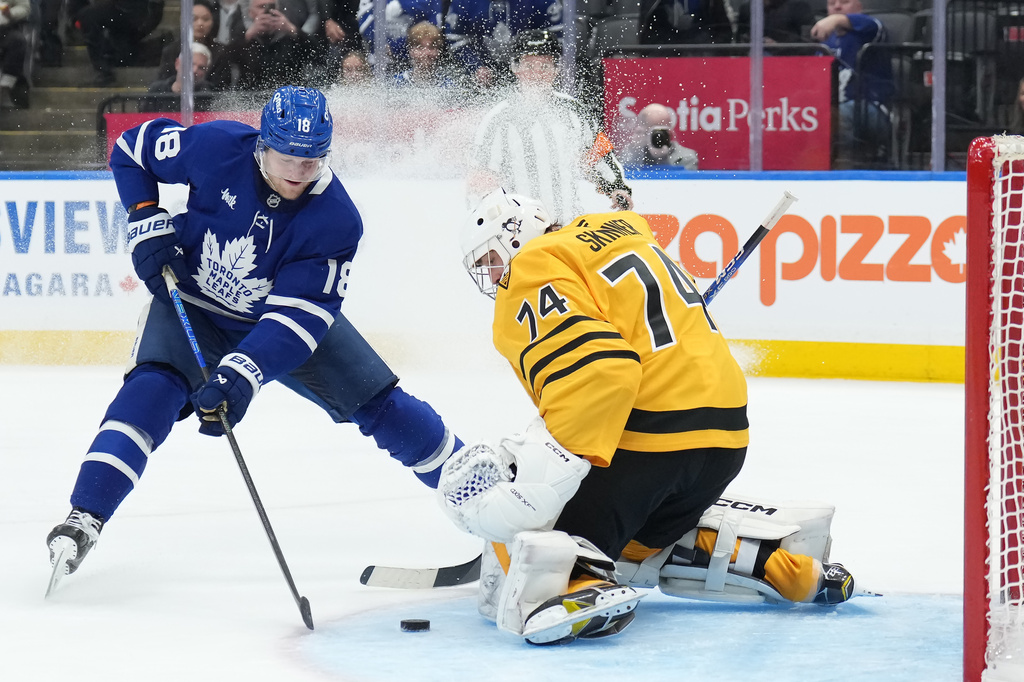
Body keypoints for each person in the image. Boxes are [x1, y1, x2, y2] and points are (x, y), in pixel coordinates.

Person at [46, 86, 465, 592]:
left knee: (380, 405)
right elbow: (131, 150)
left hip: (278, 320)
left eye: (310, 163)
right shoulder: (217, 146)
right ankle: (84, 517)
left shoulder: (335, 220)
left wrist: (241, 375)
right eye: (286, 157)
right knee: (150, 391)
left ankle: (481, 494)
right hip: (193, 302)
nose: (297, 173)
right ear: (262, 144)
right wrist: (143, 217)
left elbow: (295, 323)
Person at [439, 188, 859, 645]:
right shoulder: (621, 237)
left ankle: (579, 585)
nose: (493, 274)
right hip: (725, 440)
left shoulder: (533, 266)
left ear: (515, 237)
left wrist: (544, 473)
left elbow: (601, 372)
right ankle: (784, 568)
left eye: (492, 259)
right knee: (638, 546)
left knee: (525, 524)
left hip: (654, 439)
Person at [466, 29, 633, 226]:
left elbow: (597, 155)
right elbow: (481, 177)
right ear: (515, 68)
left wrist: (616, 187)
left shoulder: (573, 111)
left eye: (544, 66)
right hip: (520, 232)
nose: (536, 73)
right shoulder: (498, 119)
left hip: (568, 226)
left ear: (556, 69)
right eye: (529, 65)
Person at [809, 0, 892, 164]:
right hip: (832, 106)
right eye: (832, 3)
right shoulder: (826, 42)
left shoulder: (872, 28)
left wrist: (835, 19)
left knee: (839, 114)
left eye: (845, 2)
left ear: (859, 6)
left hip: (872, 109)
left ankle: (843, 167)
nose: (837, 6)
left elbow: (870, 25)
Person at [74, 0, 167, 86]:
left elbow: (155, 11)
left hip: (136, 12)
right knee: (120, 53)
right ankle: (109, 63)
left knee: (87, 16)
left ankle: (103, 71)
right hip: (122, 13)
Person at [233, 0, 313, 90]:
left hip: (287, 97)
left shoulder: (289, 37)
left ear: (278, 9)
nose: (266, 11)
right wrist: (248, 36)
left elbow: (318, 55)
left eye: (271, 6)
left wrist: (292, 30)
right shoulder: (242, 35)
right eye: (261, 7)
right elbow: (225, 62)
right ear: (250, 12)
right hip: (251, 96)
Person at [156, 0, 233, 91]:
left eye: (205, 19)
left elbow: (223, 88)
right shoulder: (171, 50)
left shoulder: (221, 52)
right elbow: (163, 83)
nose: (200, 24)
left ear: (212, 21)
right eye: (193, 19)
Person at [621, 102, 699, 169]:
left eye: (661, 131)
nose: (658, 137)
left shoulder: (686, 158)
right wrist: (636, 150)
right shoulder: (628, 155)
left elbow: (681, 184)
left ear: (670, 132)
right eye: (652, 132)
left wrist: (663, 159)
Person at [141, 42, 215, 113]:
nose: (195, 70)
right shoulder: (157, 90)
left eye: (201, 68)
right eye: (191, 64)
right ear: (177, 64)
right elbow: (143, 120)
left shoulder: (210, 96)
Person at [393, 20, 463, 88]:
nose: (426, 53)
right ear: (410, 50)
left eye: (432, 47)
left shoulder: (448, 86)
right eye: (420, 47)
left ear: (439, 50)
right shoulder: (396, 83)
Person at [639, 0, 734, 46]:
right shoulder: (653, 3)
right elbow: (645, 40)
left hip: (703, 60)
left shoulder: (713, 3)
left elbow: (724, 33)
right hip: (665, 62)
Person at [737, 0, 815, 44]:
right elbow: (738, 43)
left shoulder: (800, 7)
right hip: (751, 63)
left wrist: (777, 47)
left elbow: (809, 45)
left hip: (789, 63)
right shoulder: (747, 9)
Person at [0, 0, 29, 107]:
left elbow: (24, 8)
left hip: (4, 28)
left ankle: (6, 85)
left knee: (17, 41)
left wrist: (10, 14)